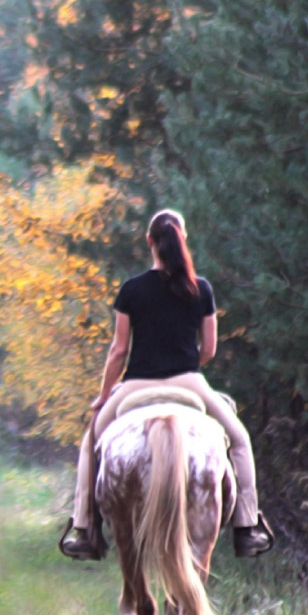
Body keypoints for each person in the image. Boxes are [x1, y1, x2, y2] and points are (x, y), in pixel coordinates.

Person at [58, 209, 273, 561]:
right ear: (182, 239)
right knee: (239, 440)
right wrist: (185, 364)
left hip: (136, 384)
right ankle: (247, 528)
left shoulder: (132, 289)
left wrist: (102, 396)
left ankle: (83, 528)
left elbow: (119, 351)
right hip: (189, 382)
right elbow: (210, 349)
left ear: (149, 242)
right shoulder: (200, 288)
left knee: (90, 442)